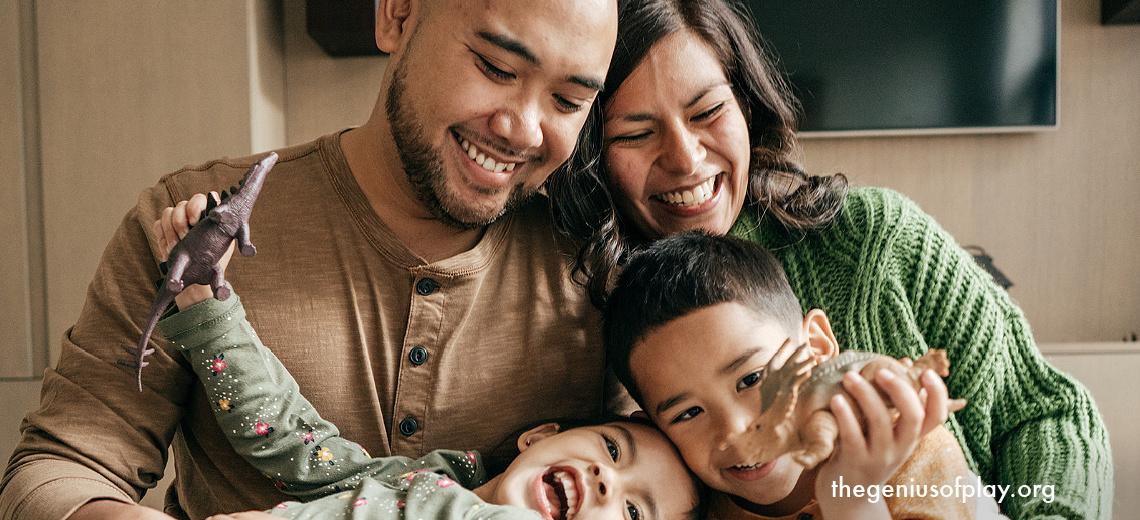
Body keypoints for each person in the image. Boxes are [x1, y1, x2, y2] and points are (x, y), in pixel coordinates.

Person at [1, 0, 620, 518]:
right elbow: (60, 470)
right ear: (397, 15)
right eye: (495, 67)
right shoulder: (187, 221)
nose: (523, 129)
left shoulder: (599, 273)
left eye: (567, 102)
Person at [546, 0, 1113, 518]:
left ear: (745, 105)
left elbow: (1045, 412)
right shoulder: (579, 296)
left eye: (708, 111)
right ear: (590, 150)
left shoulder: (872, 238)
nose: (686, 159)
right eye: (636, 134)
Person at [148, 208, 700, 520]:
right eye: (611, 449)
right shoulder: (425, 484)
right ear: (540, 436)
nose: (608, 480)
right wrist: (211, 311)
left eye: (633, 514)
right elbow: (293, 444)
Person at [606, 232, 1007, 519]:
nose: (737, 428)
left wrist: (852, 501)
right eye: (689, 413)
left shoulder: (908, 447)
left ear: (816, 347)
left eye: (752, 379)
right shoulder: (696, 507)